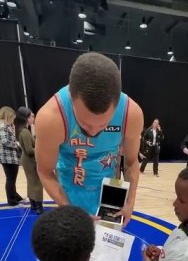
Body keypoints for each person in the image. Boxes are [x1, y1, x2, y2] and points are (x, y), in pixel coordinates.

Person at [35, 52, 143, 227]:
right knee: (75, 248)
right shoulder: (51, 118)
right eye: (84, 123)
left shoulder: (132, 113)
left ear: (118, 102)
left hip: (111, 188)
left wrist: (130, 202)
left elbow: (131, 163)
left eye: (103, 124)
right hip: (71, 190)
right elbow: (45, 171)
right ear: (71, 96)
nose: (93, 132)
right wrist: (69, 209)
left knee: (108, 248)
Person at [15, 107, 44, 214]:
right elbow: (29, 151)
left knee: (31, 182)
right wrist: (40, 148)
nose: (33, 117)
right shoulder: (25, 132)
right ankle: (39, 207)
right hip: (30, 160)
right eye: (31, 116)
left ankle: (33, 204)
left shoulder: (23, 130)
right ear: (25, 118)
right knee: (36, 183)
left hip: (27, 160)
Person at [0, 106, 25, 206]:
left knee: (12, 178)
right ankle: (12, 200)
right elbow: (5, 142)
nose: (13, 120)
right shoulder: (2, 127)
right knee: (10, 179)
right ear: (7, 116)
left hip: (11, 156)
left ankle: (15, 196)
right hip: (7, 157)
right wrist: (17, 144)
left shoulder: (8, 126)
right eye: (12, 118)